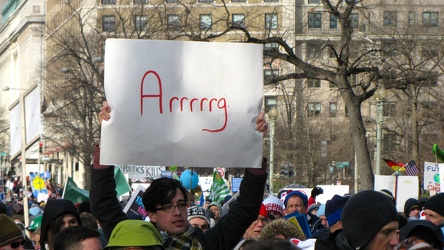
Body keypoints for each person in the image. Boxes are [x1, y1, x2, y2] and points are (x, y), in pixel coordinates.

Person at [91, 101, 268, 250]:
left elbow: (246, 208)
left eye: (181, 204)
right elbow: (103, 205)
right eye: (167, 206)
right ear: (152, 215)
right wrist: (108, 138)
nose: (177, 212)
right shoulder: (133, 238)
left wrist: (254, 147)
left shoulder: (209, 243)